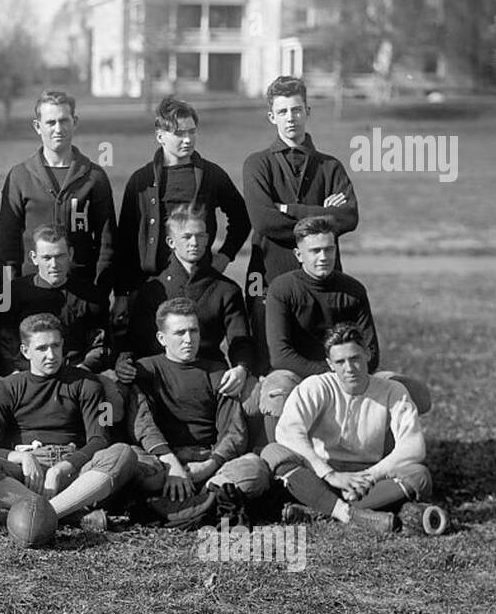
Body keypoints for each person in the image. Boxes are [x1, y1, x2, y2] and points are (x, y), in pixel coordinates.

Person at [0, 314, 137, 530]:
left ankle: (37, 514)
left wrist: (60, 469)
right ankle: (71, 515)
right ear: (26, 351)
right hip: (26, 475)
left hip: (73, 470)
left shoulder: (87, 383)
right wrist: (22, 458)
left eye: (56, 346)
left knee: (123, 454)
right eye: (42, 348)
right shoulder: (5, 388)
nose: (51, 355)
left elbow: (99, 439)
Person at [261, 215, 431, 436]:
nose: (323, 257)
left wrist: (344, 373)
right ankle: (283, 462)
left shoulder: (353, 290)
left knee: (413, 392)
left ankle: (381, 459)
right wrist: (331, 375)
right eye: (315, 251)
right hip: (299, 374)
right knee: (277, 391)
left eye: (329, 249)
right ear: (298, 255)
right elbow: (281, 356)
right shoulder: (282, 289)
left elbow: (370, 351)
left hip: (350, 371)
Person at [261, 323, 435, 535]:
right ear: (330, 364)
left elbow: (413, 447)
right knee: (273, 453)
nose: (349, 368)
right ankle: (347, 513)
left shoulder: (393, 390)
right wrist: (330, 474)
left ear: (368, 355)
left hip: (366, 481)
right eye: (340, 362)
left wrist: (369, 476)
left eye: (355, 359)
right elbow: (288, 433)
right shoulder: (317, 386)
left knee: (419, 475)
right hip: (320, 475)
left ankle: (319, 510)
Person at [241, 75, 359, 368]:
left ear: (307, 112)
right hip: (269, 280)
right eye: (282, 112)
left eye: (296, 110)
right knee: (273, 371)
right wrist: (321, 213)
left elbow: (349, 217)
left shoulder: (330, 166)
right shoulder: (258, 164)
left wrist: (289, 208)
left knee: (331, 367)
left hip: (325, 285)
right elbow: (264, 220)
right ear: (272, 116)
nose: (290, 118)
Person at [126, 299, 270, 528]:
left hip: (207, 461)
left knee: (255, 467)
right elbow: (142, 424)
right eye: (179, 332)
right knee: (131, 460)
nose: (188, 339)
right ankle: (212, 504)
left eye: (193, 331)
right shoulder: (147, 369)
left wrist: (210, 465)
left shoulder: (216, 371)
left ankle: (185, 503)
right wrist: (171, 463)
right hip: (162, 463)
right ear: (162, 338)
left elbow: (234, 432)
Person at [113, 96, 249, 309]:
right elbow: (125, 241)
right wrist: (122, 294)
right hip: (150, 285)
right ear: (160, 135)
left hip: (198, 283)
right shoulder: (141, 181)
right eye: (179, 133)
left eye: (192, 132)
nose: (188, 139)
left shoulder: (211, 175)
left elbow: (242, 218)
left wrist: (224, 257)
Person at [118, 205, 255, 396]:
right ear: (171, 242)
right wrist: (124, 363)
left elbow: (240, 340)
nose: (194, 242)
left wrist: (241, 368)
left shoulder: (227, 290)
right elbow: (134, 341)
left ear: (207, 239)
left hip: (211, 374)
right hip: (161, 376)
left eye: (200, 236)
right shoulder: (151, 290)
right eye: (187, 237)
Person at [0, 224, 121, 421]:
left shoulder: (91, 295)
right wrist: (27, 372)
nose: (54, 264)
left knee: (111, 392)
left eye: (59, 256)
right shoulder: (12, 294)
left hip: (77, 372)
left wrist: (85, 368)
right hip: (29, 373)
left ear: (70, 254)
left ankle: (107, 438)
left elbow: (100, 344)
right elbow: (5, 343)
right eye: (46, 258)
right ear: (34, 258)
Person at [0, 89, 116, 290]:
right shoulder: (20, 176)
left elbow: (107, 240)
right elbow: (8, 241)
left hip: (81, 286)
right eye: (51, 122)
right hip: (31, 286)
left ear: (74, 122)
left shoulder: (94, 177)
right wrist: (11, 290)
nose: (58, 129)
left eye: (64, 121)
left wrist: (101, 290)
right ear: (37, 126)